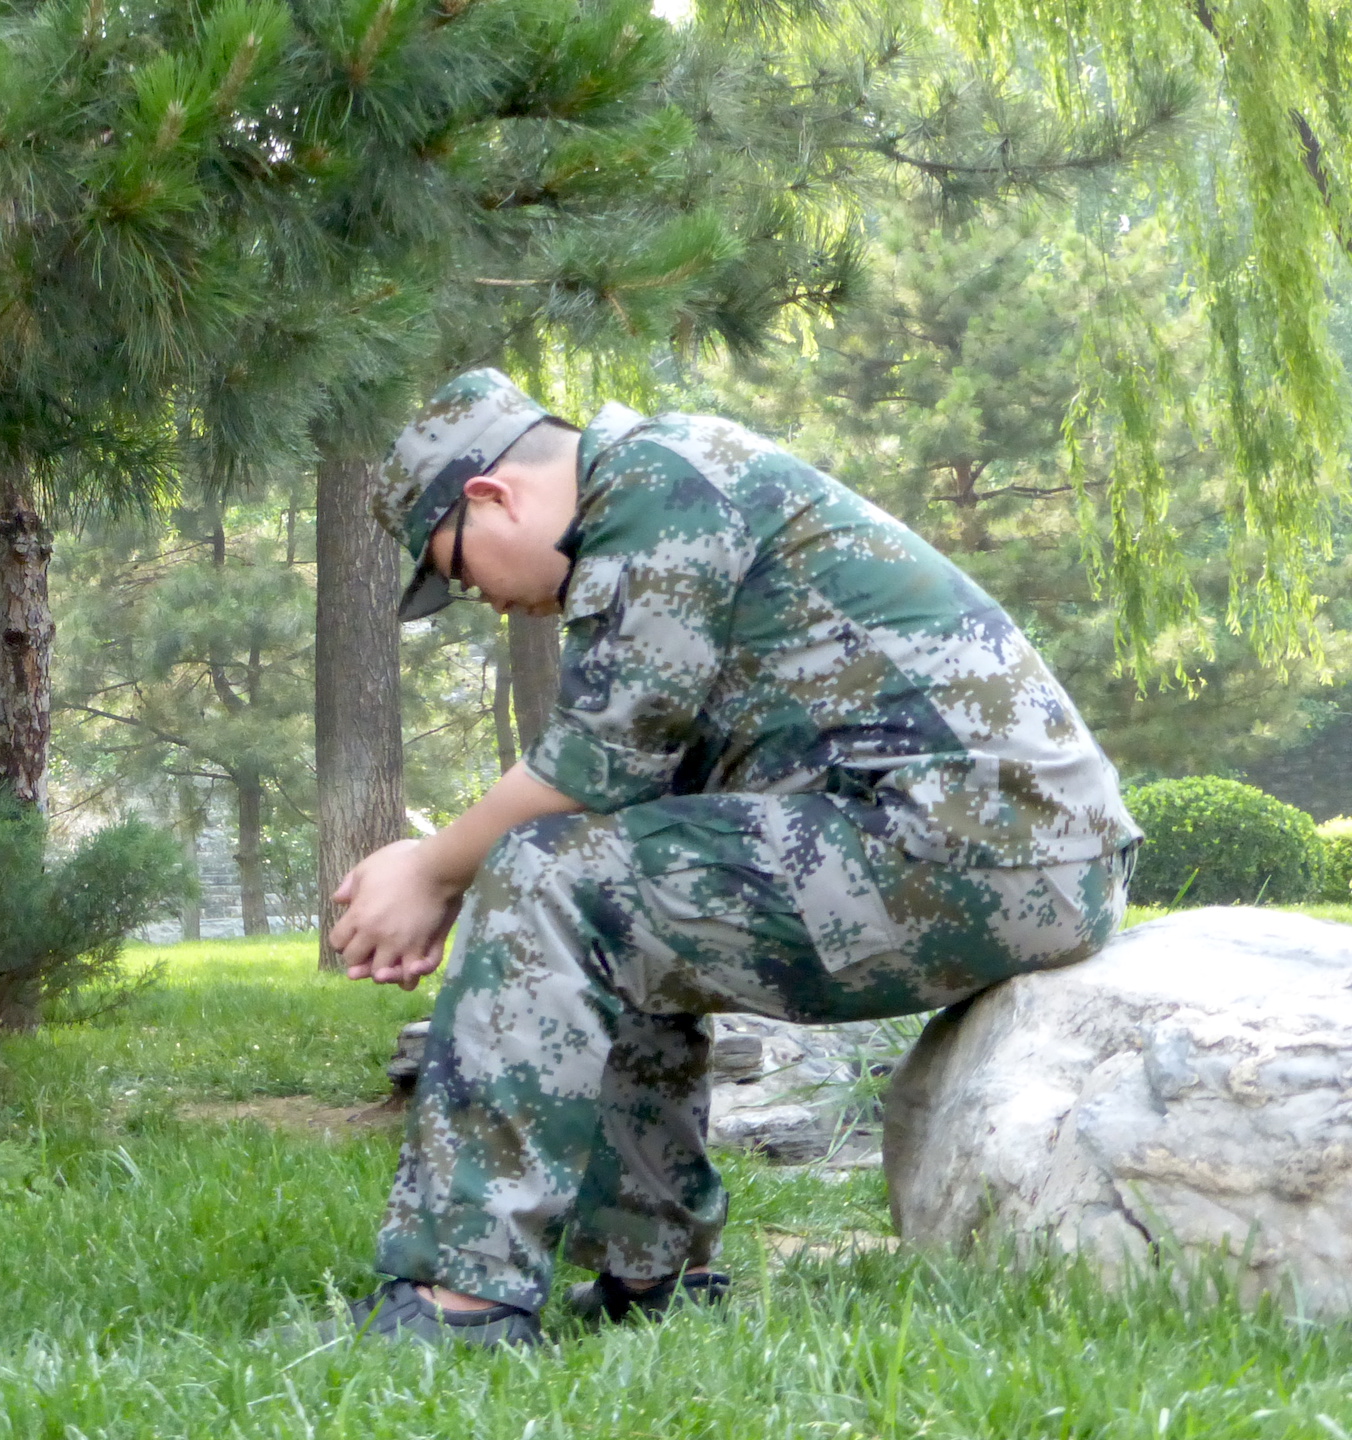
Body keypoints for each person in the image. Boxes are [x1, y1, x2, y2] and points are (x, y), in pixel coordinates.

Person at [316, 368, 1141, 1348]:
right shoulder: (659, 485)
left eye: (456, 571)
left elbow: (597, 761)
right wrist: (451, 870)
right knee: (601, 879)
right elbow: (629, 791)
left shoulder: (658, 486)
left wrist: (433, 870)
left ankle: (459, 1301)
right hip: (999, 848)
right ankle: (651, 1273)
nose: (487, 602)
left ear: (492, 496)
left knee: (550, 876)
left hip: (973, 847)